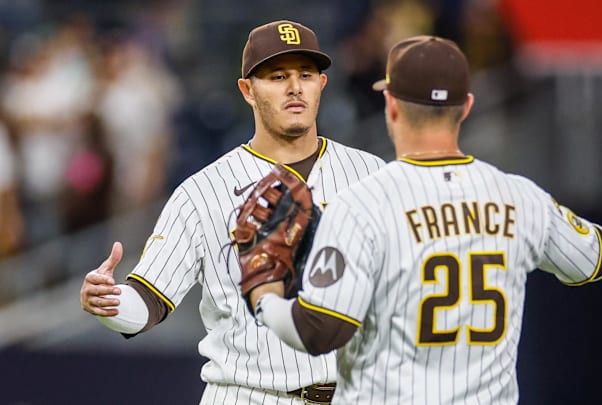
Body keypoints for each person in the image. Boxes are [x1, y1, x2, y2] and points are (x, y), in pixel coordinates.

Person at [246, 35, 602, 404]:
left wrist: (265, 298)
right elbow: (599, 257)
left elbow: (318, 331)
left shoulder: (362, 204)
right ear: (468, 106)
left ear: (391, 105)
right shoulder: (522, 199)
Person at [79, 20, 385, 404]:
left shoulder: (372, 175)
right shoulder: (204, 191)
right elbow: (148, 300)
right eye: (276, 76)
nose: (294, 87)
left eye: (305, 74)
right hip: (251, 394)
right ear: (247, 90)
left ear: (321, 84)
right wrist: (107, 302)